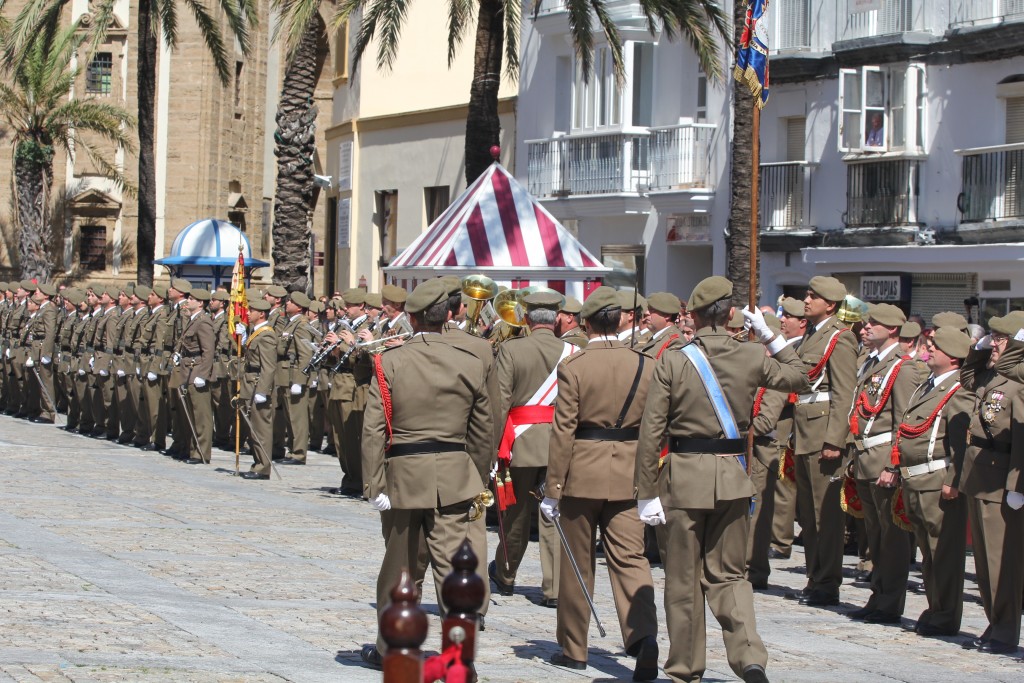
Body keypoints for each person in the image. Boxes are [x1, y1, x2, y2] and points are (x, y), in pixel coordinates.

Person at [635, 276, 807, 683]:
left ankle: (685, 667)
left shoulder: (675, 359)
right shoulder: (750, 355)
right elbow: (799, 376)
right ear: (731, 314)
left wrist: (645, 492)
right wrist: (770, 336)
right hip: (732, 476)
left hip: (683, 477)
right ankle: (748, 657)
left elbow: (652, 430)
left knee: (682, 579)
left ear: (691, 316)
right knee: (730, 575)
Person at [360, 279, 492, 668]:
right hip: (454, 473)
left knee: (400, 567)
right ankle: (458, 656)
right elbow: (484, 428)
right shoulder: (471, 360)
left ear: (412, 317)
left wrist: (373, 482)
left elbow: (374, 427)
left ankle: (393, 649)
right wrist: (476, 476)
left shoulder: (390, 359)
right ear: (449, 314)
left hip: (402, 475)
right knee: (455, 574)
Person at [541, 286, 659, 681]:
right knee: (631, 559)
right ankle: (643, 637)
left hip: (581, 474)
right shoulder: (646, 364)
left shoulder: (575, 366)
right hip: (630, 473)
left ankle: (574, 648)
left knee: (577, 564)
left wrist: (552, 488)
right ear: (620, 318)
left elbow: (563, 434)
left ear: (587, 322)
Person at [488, 290, 575, 609]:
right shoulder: (573, 350)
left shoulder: (512, 349)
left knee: (514, 514)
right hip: (559, 444)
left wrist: (495, 446)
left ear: (526, 318)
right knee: (554, 513)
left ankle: (506, 575)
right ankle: (553, 588)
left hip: (519, 442)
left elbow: (500, 401)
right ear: (556, 319)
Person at [884, 326, 973, 638]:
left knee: (943, 553)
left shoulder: (958, 390)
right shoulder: (928, 385)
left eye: (936, 345)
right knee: (928, 551)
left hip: (937, 481)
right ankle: (936, 608)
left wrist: (954, 480)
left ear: (953, 357)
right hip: (917, 480)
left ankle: (946, 614)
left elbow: (960, 443)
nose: (929, 348)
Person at [845, 304, 926, 625]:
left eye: (873, 324)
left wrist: (894, 465)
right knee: (874, 535)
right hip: (865, 458)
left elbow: (903, 420)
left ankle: (890, 602)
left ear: (892, 329)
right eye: (866, 323)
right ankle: (878, 595)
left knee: (890, 537)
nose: (865, 328)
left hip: (882, 461)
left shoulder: (902, 368)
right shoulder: (871, 363)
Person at [790, 276, 858, 607]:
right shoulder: (811, 336)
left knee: (825, 514)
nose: (806, 300)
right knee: (808, 514)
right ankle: (815, 575)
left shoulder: (840, 339)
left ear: (829, 305)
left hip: (822, 434)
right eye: (807, 293)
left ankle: (828, 580)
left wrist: (835, 439)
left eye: (812, 296)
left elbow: (844, 392)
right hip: (804, 430)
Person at [966, 312, 1024, 653]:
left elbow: (1021, 438)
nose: (995, 344)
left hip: (1001, 475)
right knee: (984, 562)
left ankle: (1005, 630)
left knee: (1001, 560)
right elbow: (967, 378)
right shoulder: (994, 374)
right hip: (980, 473)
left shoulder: (1017, 381)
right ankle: (994, 621)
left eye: (1000, 339)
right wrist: (981, 345)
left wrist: (1017, 485)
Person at [173, 288, 216, 464]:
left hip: (197, 370)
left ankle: (201, 453)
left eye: (191, 299)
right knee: (189, 414)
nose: (188, 301)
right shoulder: (192, 320)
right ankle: (191, 450)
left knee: (201, 416)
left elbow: (208, 351)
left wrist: (203, 374)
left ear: (200, 303)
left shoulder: (203, 322)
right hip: (187, 369)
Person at [275, 291, 316, 465]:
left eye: (291, 301)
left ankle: (299, 452)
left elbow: (305, 354)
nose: (287, 303)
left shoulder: (301, 325)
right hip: (285, 375)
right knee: (290, 416)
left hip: (294, 375)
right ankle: (292, 449)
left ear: (299, 306)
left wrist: (300, 380)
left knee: (297, 417)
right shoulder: (290, 323)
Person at [238, 299, 277, 480]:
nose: (248, 312)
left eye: (252, 310)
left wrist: (263, 391)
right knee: (252, 426)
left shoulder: (267, 335)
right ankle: (257, 463)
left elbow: (268, 366)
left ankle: (263, 467)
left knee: (261, 427)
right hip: (249, 383)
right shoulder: (255, 333)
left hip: (257, 384)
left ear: (261, 314)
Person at [638, 292, 684, 358]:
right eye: (648, 309)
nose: (646, 313)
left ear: (667, 315)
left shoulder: (675, 341)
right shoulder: (659, 336)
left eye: (652, 310)